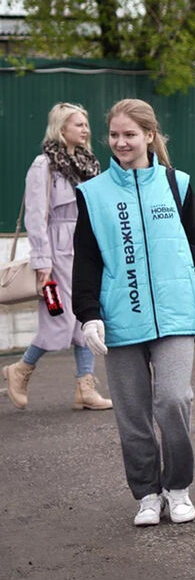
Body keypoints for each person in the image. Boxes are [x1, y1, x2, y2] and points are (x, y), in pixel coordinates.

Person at [72, 98, 195, 525]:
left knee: (173, 399)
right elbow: (86, 260)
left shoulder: (177, 184)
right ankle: (148, 494)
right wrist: (89, 314)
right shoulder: (93, 194)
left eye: (130, 134)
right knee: (132, 414)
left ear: (150, 136)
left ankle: (178, 487)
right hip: (120, 319)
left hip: (175, 315)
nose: (121, 142)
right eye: (114, 135)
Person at [5, 103, 110, 411]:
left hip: (86, 247)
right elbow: (36, 216)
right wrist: (42, 261)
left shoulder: (88, 164)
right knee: (60, 319)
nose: (85, 129)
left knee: (86, 315)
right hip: (58, 250)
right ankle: (21, 369)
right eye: (78, 124)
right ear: (61, 128)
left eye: (86, 124)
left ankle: (85, 387)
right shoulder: (44, 165)